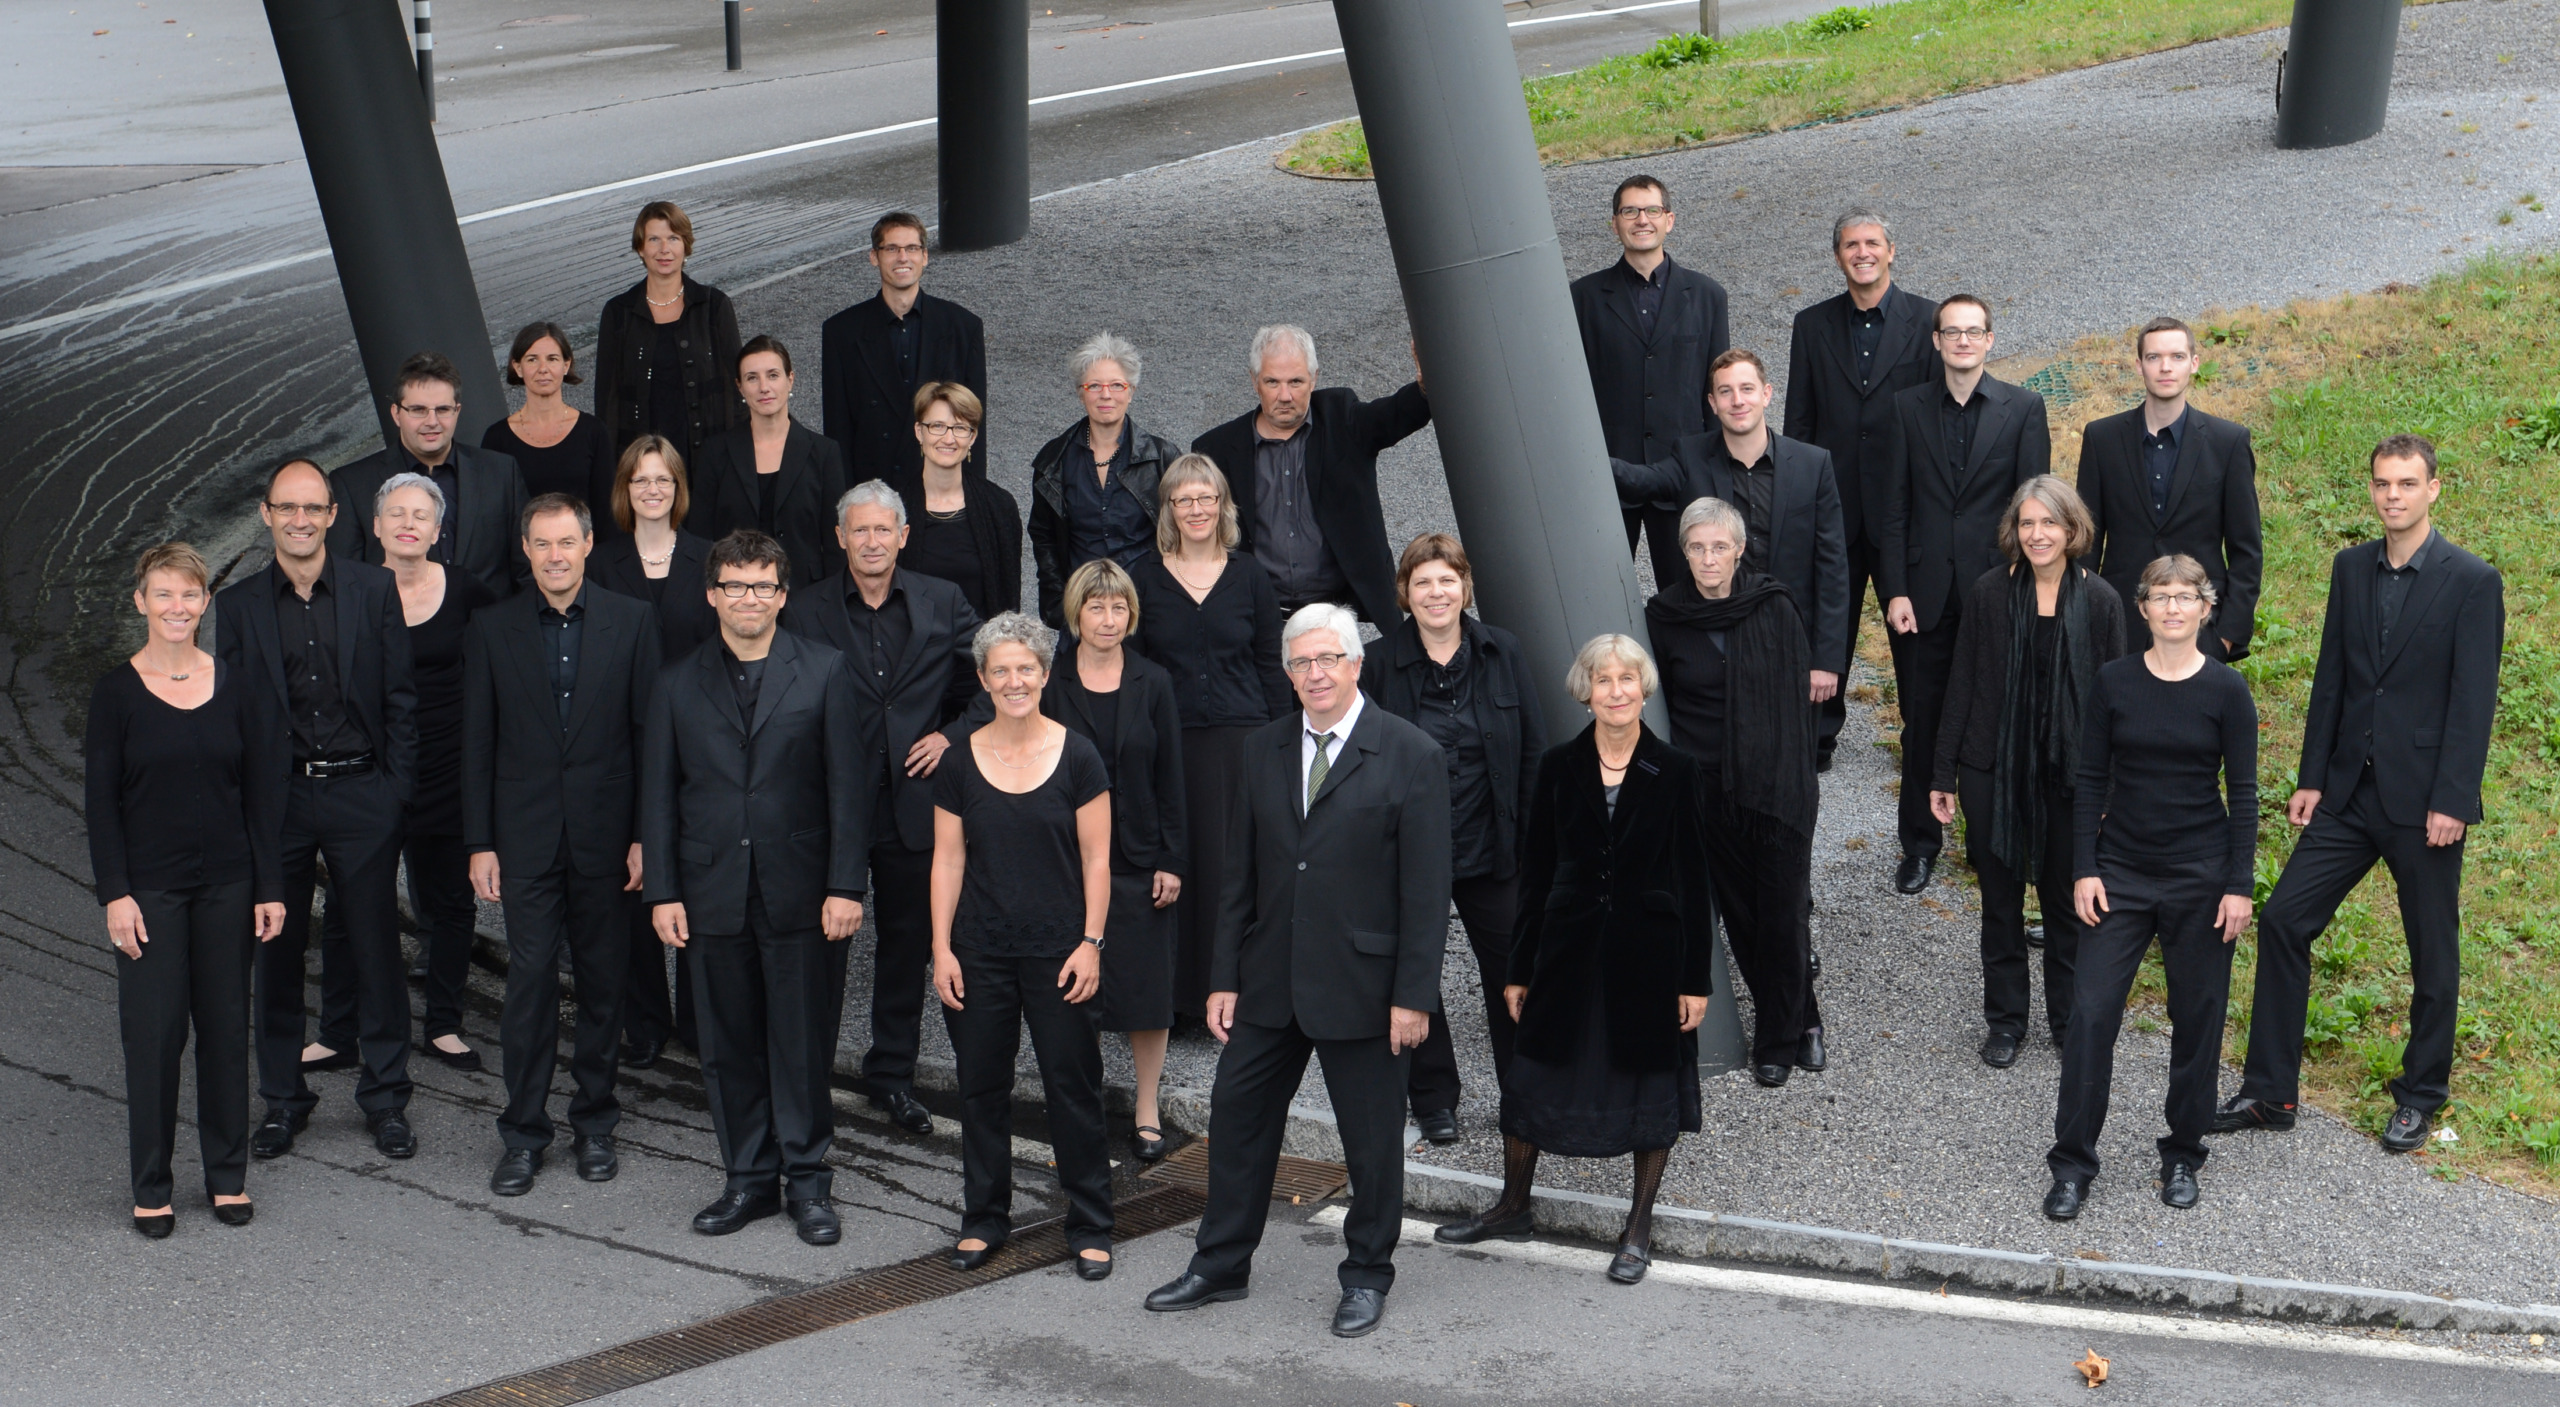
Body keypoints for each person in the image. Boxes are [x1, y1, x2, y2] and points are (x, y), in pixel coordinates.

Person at [1143, 604, 1452, 1340]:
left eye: (1327, 659)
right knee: (1238, 1118)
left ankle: (1368, 1274)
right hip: (1269, 981)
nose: (1314, 673)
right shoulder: (1262, 749)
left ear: (1355, 664)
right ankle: (1220, 1265)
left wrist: (1413, 996)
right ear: (1286, 673)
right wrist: (1222, 977)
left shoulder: (1410, 753)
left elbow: (1427, 892)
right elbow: (1237, 876)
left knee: (1372, 1142)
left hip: (1367, 990)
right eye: (1300, 662)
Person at [2221, 435, 2505, 1152]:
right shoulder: (2351, 568)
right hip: (2349, 792)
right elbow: (2333, 679)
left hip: (2424, 804)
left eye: (2407, 484)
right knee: (2284, 920)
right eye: (2382, 484)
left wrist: (2453, 798)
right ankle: (2270, 1091)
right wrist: (2312, 776)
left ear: (2434, 488)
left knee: (2432, 956)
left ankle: (2420, 1094)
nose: (2393, 496)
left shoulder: (2471, 579)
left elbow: (2473, 702)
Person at [1433, 634, 1714, 1285]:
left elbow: (1695, 880)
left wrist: (1695, 979)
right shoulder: (1559, 766)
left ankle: (1638, 1226)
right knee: (1530, 1077)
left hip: (1650, 957)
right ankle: (1512, 1204)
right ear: (1585, 691)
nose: (1616, 689)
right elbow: (1535, 874)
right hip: (1564, 951)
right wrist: (1520, 966)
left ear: (1644, 689)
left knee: (1649, 1087)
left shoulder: (1675, 770)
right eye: (1603, 679)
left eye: (1628, 678)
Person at [642, 530, 869, 1245]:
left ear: (782, 593)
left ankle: (808, 1183)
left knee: (800, 1043)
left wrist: (845, 886)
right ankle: (747, 1179)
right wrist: (664, 891)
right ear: (712, 594)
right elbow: (658, 796)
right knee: (726, 1044)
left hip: (801, 890)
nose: (749, 598)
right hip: (708, 892)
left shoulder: (827, 670)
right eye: (735, 585)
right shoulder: (676, 681)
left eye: (763, 585)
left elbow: (848, 791)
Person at [217, 459, 419, 1163]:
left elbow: (401, 699)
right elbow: (232, 720)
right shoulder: (239, 607)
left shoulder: (374, 590)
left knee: (376, 950)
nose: (300, 519)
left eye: (313, 507)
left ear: (335, 514)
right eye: (286, 507)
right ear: (267, 515)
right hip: (279, 802)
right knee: (275, 952)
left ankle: (387, 1096)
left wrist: (394, 794)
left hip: (363, 793)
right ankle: (283, 1100)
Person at [2044, 555, 2257, 1220]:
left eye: (2184, 596)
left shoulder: (2228, 692)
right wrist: (2085, 866)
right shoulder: (2114, 683)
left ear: (2205, 607)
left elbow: (2245, 795)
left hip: (2201, 877)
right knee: (2092, 1016)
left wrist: (2238, 885)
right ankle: (2073, 1163)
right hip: (2121, 875)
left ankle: (2184, 1153)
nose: (2172, 607)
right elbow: (2090, 780)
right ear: (2142, 608)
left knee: (2196, 1021)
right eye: (2160, 596)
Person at [464, 494, 663, 1198]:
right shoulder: (492, 626)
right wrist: (480, 840)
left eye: (565, 542)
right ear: (527, 549)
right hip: (524, 838)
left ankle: (596, 1123)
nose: (554, 555)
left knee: (606, 987)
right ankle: (523, 1132)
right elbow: (477, 742)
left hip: (608, 838)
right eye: (541, 543)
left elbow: (650, 737)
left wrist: (646, 836)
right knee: (529, 984)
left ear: (586, 545)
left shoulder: (633, 620)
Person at [88, 543, 287, 1238]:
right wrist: (116, 891)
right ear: (140, 601)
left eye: (190, 594)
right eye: (163, 594)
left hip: (229, 887)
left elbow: (261, 793)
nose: (177, 606)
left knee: (227, 1031)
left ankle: (226, 1176)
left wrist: (270, 883)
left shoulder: (236, 684)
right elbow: (101, 802)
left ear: (205, 602)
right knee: (154, 1035)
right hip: (150, 893)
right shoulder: (116, 692)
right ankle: (152, 1184)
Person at [780, 481, 983, 1136]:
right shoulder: (805, 609)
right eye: (857, 530)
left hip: (914, 804)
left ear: (902, 535)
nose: (870, 541)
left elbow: (1000, 674)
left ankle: (890, 1075)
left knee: (905, 945)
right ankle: (807, 1080)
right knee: (822, 945)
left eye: (882, 530)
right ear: (840, 537)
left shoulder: (942, 600)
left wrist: (950, 737)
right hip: (830, 805)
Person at [930, 612, 1118, 1278]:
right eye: (1000, 669)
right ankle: (984, 1218)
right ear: (983, 679)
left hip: (1062, 951)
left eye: (1026, 668)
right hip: (977, 949)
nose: (1015, 680)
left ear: (1044, 674)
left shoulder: (1079, 755)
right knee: (981, 1088)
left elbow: (1098, 859)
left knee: (1074, 1087)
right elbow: (947, 861)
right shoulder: (958, 760)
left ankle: (1092, 1221)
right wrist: (942, 950)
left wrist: (1092, 941)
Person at [1927, 478, 2124, 1067]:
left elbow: (2116, 703)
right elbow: (1961, 683)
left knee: (2068, 904)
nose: (2037, 535)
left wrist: (2112, 787)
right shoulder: (1989, 592)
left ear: (2071, 530)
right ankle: (2007, 1022)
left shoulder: (2103, 601)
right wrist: (1943, 773)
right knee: (2000, 901)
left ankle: (2067, 1022)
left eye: (2049, 523)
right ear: (2015, 531)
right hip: (1994, 768)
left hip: (2072, 775)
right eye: (2027, 524)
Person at [1362, 533, 1545, 1144]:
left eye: (1447, 580)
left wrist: (1532, 844)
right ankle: (1434, 1097)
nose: (1436, 593)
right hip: (1407, 852)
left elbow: (1535, 752)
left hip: (1493, 848)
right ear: (1404, 595)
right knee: (1415, 973)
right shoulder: (1380, 664)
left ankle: (1523, 1093)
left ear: (1465, 586)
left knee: (1514, 972)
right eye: (1422, 582)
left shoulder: (1504, 651)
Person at [1879, 295, 2053, 897]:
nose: (1961, 340)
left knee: (1996, 719)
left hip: (1997, 592)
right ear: (1936, 342)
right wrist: (1895, 590)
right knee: (1923, 720)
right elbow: (1892, 508)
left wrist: (2026, 588)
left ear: (1989, 340)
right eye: (1950, 331)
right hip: (1922, 596)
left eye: (1972, 331)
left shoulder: (2024, 408)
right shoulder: (1905, 409)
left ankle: (1991, 843)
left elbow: (2035, 511)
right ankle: (1920, 846)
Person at [1645, 498, 1822, 1086]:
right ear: (1683, 551)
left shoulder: (1773, 606)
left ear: (1740, 550)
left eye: (1720, 546)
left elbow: (1800, 710)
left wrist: (1794, 786)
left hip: (1776, 785)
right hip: (1707, 787)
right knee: (1743, 917)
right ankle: (1800, 1021)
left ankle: (1782, 1037)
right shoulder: (1666, 615)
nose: (1708, 557)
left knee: (1783, 912)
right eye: (1697, 546)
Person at [1125, 456, 1291, 1023]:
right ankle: (1183, 1001)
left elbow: (1272, 664)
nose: (1196, 509)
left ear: (1222, 504)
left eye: (1206, 497)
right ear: (1168, 509)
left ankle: (1239, 994)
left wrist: (1283, 743)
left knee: (1235, 869)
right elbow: (1134, 668)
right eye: (1183, 499)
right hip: (1170, 743)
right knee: (1180, 866)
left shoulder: (1250, 576)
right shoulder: (1142, 578)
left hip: (1244, 741)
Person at [1611, 350, 1849, 737]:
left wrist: (1826, 659)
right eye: (1725, 392)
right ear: (1712, 403)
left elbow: (1833, 567)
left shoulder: (1813, 464)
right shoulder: (1689, 456)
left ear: (1767, 394)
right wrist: (1585, 456)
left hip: (1785, 637)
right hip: (1714, 640)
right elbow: (1643, 481)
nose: (1737, 400)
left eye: (1747, 389)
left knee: (1789, 757)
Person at [1784, 210, 1941, 770]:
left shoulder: (1928, 322)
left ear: (1891, 251)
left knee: (1913, 632)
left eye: (1872, 243)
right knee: (1826, 623)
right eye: (1851, 245)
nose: (1862, 252)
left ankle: (1919, 739)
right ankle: (1816, 738)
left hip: (1905, 509)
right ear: (1838, 256)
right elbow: (1798, 424)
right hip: (1833, 507)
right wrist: (1797, 501)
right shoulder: (1811, 324)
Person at [1048, 560, 1186, 1160]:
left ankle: (1147, 1108)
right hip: (1067, 861)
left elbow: (1171, 776)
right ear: (1076, 613)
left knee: (1145, 991)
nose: (1109, 619)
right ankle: (1083, 1108)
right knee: (1073, 994)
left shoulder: (1152, 681)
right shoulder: (1051, 681)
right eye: (1098, 607)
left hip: (1139, 858)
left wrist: (1172, 859)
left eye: (1120, 608)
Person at [591, 436, 718, 1066]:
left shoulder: (708, 560)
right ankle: (645, 1018)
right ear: (625, 489)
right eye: (640, 480)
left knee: (696, 877)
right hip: (621, 742)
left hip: (700, 742)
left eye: (663, 480)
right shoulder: (600, 563)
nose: (652, 490)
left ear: (677, 488)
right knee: (632, 878)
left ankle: (699, 1021)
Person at [373, 472, 497, 1072]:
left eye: (420, 515)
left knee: (451, 904)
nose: (408, 524)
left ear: (437, 529)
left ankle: (444, 1024)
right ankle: (359, 1024)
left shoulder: (470, 592)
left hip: (449, 770)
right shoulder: (355, 593)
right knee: (361, 901)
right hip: (374, 772)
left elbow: (502, 665)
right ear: (376, 527)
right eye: (397, 513)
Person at [1191, 325, 1430, 625]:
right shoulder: (1217, 449)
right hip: (1259, 618)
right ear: (1254, 381)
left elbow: (1393, 416)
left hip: (1337, 615)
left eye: (1296, 381)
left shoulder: (1343, 419)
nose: (1285, 395)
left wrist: (1425, 387)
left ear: (1314, 378)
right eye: (1272, 382)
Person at [2075, 316, 2264, 660]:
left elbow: (2246, 549)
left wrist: (2228, 635)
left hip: (2201, 628)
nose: (2165, 367)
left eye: (2177, 357)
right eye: (2154, 357)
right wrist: (2088, 619)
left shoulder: (2228, 442)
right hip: (2120, 626)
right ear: (2138, 366)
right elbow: (2086, 543)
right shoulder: (2101, 439)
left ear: (2194, 364)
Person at [1570, 174, 1731, 574]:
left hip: (1681, 476)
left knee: (1687, 599)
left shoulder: (1709, 296)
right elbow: (1571, 392)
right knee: (1600, 589)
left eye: (1651, 210)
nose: (1642, 219)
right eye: (1630, 211)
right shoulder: (1581, 298)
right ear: (1615, 224)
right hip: (1606, 474)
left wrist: (1712, 472)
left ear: (1669, 220)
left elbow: (1717, 392)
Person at [330, 351, 533, 601]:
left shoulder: (501, 472)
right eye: (418, 410)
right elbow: (346, 583)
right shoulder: (352, 485)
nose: (432, 421)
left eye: (443, 409)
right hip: (401, 634)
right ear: (396, 413)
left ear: (457, 411)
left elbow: (527, 568)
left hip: (493, 634)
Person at [821, 211, 990, 487]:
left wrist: (973, 495)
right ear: (874, 257)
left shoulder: (964, 327)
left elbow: (975, 426)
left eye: (912, 248)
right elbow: (838, 430)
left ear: (925, 256)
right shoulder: (841, 332)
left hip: (941, 487)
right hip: (874, 490)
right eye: (892, 248)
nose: (902, 257)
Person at [1028, 332, 1183, 627]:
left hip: (1149, 611)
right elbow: (1044, 538)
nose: (1106, 394)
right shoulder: (1054, 460)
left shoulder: (1163, 457)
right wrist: (1059, 606)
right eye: (1094, 386)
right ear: (1080, 392)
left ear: (1131, 390)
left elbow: (1184, 535)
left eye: (1116, 385)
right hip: (1081, 611)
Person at [596, 200, 744, 473]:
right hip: (642, 466)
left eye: (673, 238)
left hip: (708, 462)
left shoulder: (714, 306)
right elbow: (607, 401)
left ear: (686, 246)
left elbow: (737, 389)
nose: (664, 249)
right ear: (640, 247)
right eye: (654, 239)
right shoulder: (618, 313)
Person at [691, 336, 850, 589]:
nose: (764, 387)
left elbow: (835, 543)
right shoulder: (716, 452)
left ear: (791, 379)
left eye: (773, 375)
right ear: (740, 387)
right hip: (736, 594)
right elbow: (700, 537)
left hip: (805, 597)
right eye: (752, 378)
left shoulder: (824, 453)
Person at [899, 381, 1024, 620]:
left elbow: (1009, 599)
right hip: (913, 652)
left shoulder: (999, 506)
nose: (948, 438)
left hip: (979, 652)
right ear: (919, 432)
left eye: (959, 428)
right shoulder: (894, 507)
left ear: (973, 437)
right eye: (937, 426)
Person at [480, 321, 619, 516]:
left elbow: (607, 512)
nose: (542, 368)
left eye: (552, 358)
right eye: (532, 359)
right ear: (517, 368)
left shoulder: (593, 431)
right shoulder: (497, 439)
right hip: (524, 547)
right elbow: (493, 515)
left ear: (566, 365)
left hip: (585, 546)